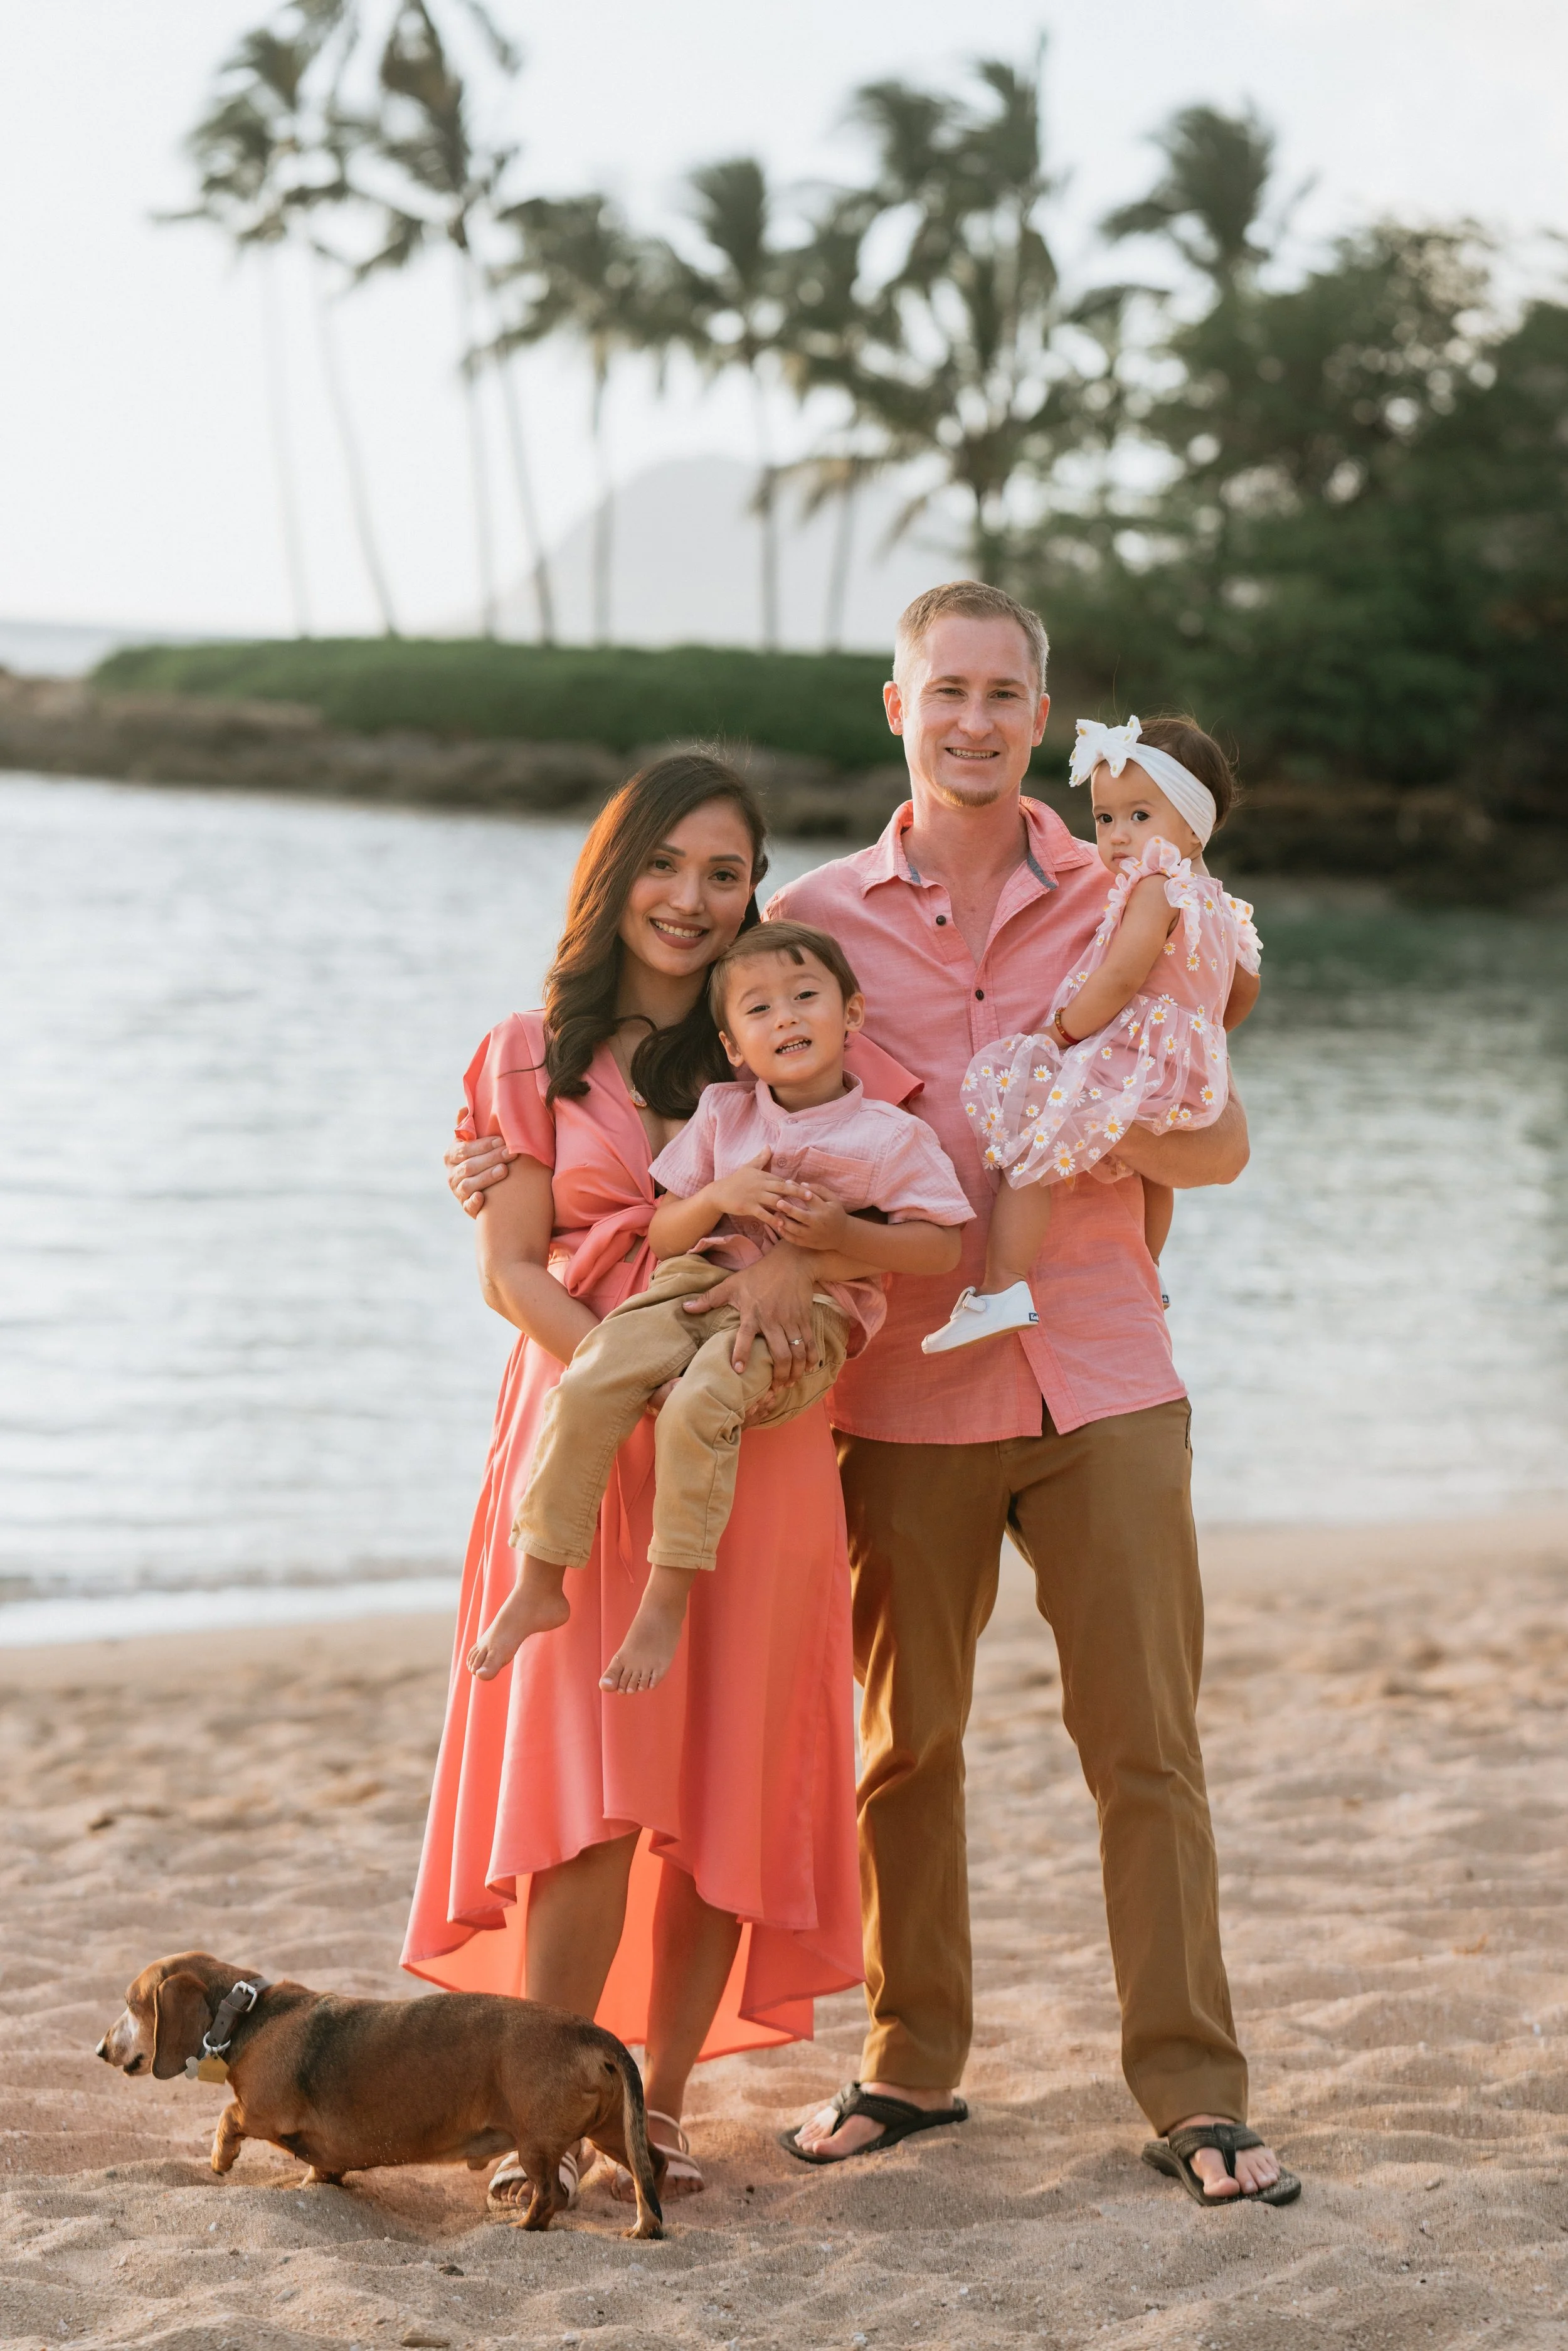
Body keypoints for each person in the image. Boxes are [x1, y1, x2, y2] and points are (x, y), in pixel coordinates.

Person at [449, 586, 1298, 2209]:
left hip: (1104, 1361)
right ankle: (914, 2063)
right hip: (903, 1392)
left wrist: (1087, 1129)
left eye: (1003, 692)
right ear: (892, 705)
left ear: (1039, 716)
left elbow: (1221, 1135)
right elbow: (633, 1067)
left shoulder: (1131, 892)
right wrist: (490, 1154)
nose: (973, 718)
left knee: (1144, 1744)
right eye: (945, 690)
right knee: (906, 1746)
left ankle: (1193, 2090)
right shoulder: (819, 920)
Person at [406, 751, 864, 2212]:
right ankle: (545, 2086)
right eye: (665, 863)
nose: (690, 897)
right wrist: (635, 1371)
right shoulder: (527, 1055)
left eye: (724, 872)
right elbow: (512, 1273)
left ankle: (655, 2105)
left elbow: (885, 1202)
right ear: (614, 875)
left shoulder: (777, 1040)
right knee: (587, 1788)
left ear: (755, 895)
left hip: (760, 1446)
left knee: (729, 1776)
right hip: (590, 1436)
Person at [470, 920, 971, 1696]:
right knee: (596, 1370)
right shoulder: (724, 1115)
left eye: (806, 997)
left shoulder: (889, 1137)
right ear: (733, 1045)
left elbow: (941, 1248)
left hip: (809, 1316)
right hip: (697, 1282)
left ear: (853, 1015)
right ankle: (540, 1578)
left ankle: (664, 1601)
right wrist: (718, 1197)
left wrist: (835, 1236)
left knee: (701, 1404)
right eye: (760, 1010)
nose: (787, 1018)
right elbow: (666, 1234)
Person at [922, 712, 1262, 1354]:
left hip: (1130, 1054)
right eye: (1105, 819)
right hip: (1186, 1072)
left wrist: (1059, 1031)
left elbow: (1117, 978)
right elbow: (1239, 992)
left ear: (1193, 827)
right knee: (1153, 1176)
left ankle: (1003, 1286)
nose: (1117, 837)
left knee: (1032, 1135)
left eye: (1140, 817)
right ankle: (1147, 1274)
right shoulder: (1219, 904)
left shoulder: (1156, 890)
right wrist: (1196, 1041)